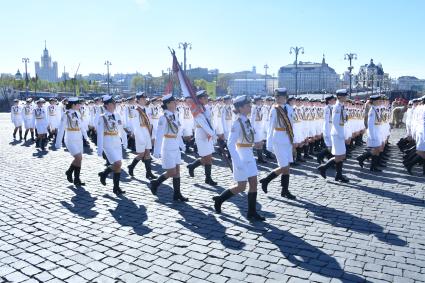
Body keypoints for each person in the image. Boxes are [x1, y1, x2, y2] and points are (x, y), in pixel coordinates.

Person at [212, 95, 265, 221]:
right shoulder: (237, 123)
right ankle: (220, 199)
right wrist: (237, 161)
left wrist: (255, 144)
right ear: (240, 108)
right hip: (241, 157)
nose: (250, 107)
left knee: (254, 183)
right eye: (247, 106)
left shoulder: (246, 120)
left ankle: (251, 212)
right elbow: (230, 144)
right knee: (241, 186)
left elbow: (247, 139)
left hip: (249, 156)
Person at [150, 94, 188, 201]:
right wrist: (156, 151)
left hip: (175, 146)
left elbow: (178, 133)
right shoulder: (164, 118)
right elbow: (159, 135)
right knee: (172, 172)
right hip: (168, 146)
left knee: (177, 171)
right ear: (167, 104)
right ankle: (156, 183)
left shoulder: (174, 115)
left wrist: (182, 145)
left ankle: (177, 194)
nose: (175, 103)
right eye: (173, 102)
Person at [259, 88, 296, 199]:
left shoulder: (289, 108)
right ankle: (267, 180)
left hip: (288, 139)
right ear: (276, 98)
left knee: (287, 167)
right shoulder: (274, 110)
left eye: (284, 97)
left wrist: (294, 140)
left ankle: (284, 190)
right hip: (278, 139)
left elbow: (292, 125)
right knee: (284, 166)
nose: (282, 99)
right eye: (279, 97)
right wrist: (269, 144)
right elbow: (270, 127)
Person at [317, 89, 350, 183]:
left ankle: (338, 175)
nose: (346, 97)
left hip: (340, 132)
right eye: (344, 96)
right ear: (339, 97)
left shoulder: (341, 106)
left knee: (341, 155)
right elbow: (335, 123)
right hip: (337, 134)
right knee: (340, 155)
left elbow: (344, 121)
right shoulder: (337, 107)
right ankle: (324, 168)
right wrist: (341, 135)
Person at [186, 90, 218, 186]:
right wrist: (212, 133)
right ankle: (207, 177)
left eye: (206, 97)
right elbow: (203, 123)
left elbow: (210, 122)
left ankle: (203, 175)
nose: (206, 99)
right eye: (204, 98)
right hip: (201, 133)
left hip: (208, 133)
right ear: (199, 99)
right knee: (207, 157)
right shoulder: (196, 109)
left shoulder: (206, 108)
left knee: (208, 157)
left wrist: (213, 133)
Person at [97, 95, 126, 195]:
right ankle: (104, 174)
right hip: (108, 143)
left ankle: (116, 188)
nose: (115, 105)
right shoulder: (102, 117)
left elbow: (121, 129)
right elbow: (100, 134)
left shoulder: (117, 115)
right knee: (117, 163)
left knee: (119, 165)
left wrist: (124, 141)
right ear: (108, 105)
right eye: (113, 103)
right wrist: (99, 149)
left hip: (117, 142)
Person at [55, 97, 87, 186]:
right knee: (78, 157)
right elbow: (61, 129)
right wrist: (58, 143)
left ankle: (77, 179)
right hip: (70, 139)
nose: (80, 105)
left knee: (79, 159)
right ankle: (69, 172)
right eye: (78, 104)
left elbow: (81, 126)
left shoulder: (77, 113)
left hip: (78, 138)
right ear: (73, 105)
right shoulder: (66, 114)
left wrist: (86, 136)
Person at [127, 92, 156, 179]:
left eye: (145, 99)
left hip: (147, 132)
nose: (144, 100)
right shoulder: (135, 111)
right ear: (138, 100)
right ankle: (131, 166)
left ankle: (149, 173)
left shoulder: (147, 109)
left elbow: (150, 123)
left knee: (147, 153)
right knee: (141, 154)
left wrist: (151, 135)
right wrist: (140, 137)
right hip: (140, 133)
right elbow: (135, 125)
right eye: (142, 99)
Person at [356, 95, 383, 171]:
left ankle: (372, 166)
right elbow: (370, 124)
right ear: (374, 101)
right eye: (378, 100)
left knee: (377, 150)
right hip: (373, 133)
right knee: (376, 149)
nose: (379, 102)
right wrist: (372, 135)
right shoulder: (372, 110)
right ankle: (362, 158)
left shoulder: (376, 109)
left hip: (377, 132)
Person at [317, 94, 336, 164]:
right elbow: (327, 121)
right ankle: (321, 156)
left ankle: (325, 158)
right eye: (333, 100)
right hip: (328, 128)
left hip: (332, 127)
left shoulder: (333, 107)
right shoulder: (327, 108)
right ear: (329, 101)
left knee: (331, 146)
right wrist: (328, 131)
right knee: (329, 146)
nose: (334, 101)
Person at [250, 96, 267, 163]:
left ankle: (260, 158)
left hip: (260, 127)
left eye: (261, 101)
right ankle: (259, 158)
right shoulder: (253, 108)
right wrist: (252, 128)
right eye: (259, 101)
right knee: (258, 143)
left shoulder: (260, 108)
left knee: (260, 143)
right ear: (256, 101)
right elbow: (252, 119)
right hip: (255, 128)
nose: (261, 102)